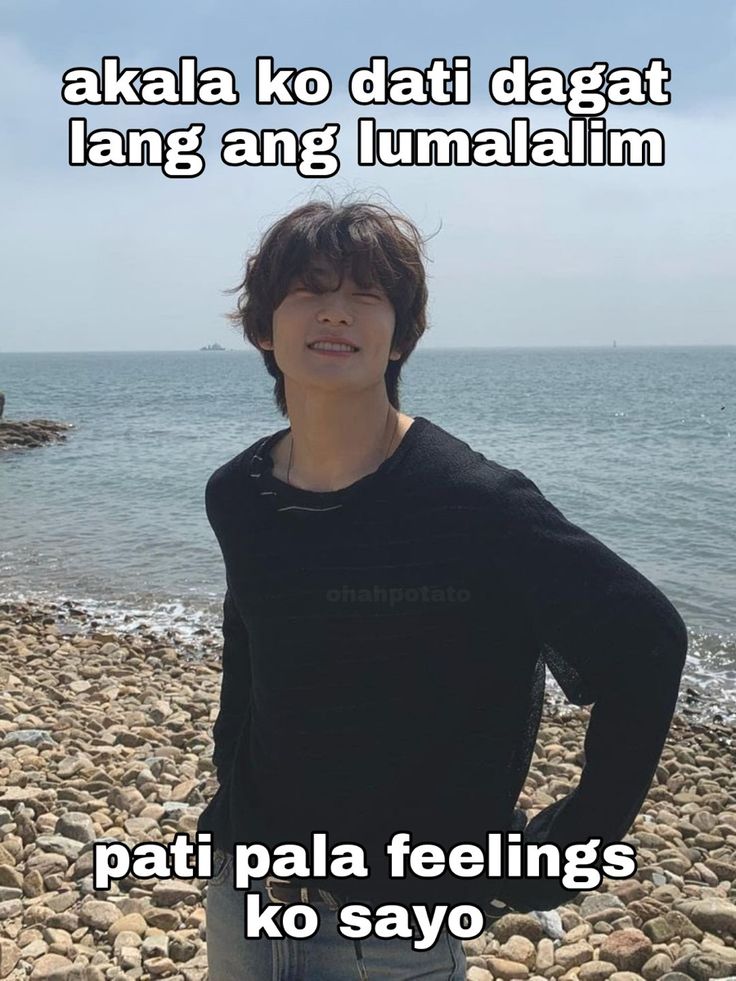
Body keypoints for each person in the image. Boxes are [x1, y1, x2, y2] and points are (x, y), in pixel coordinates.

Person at [198, 197, 688, 980]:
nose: (336, 313)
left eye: (367, 295)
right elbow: (250, 644)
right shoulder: (240, 491)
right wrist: (231, 788)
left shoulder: (472, 502)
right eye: (309, 291)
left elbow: (647, 643)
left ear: (404, 332)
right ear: (264, 326)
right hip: (248, 892)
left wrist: (570, 845)